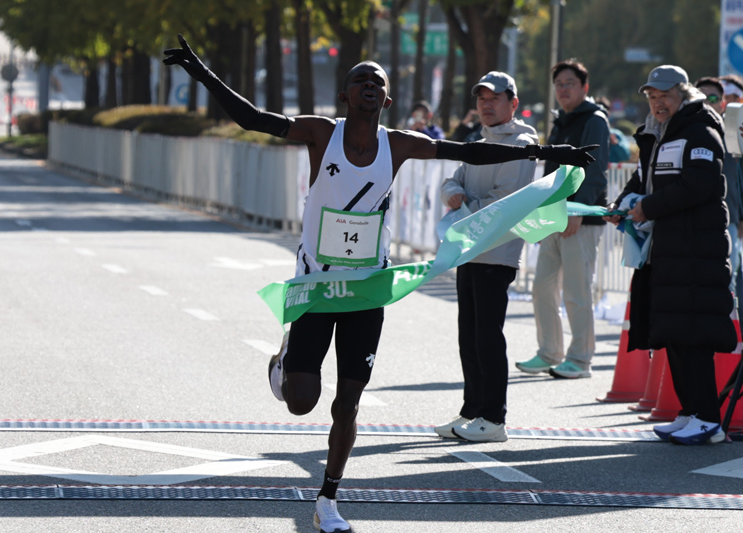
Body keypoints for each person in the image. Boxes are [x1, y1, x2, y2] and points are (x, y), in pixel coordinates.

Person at [164, 34, 595, 533]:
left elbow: (469, 153)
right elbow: (253, 120)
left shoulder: (398, 143)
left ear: (387, 99)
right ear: (345, 95)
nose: (369, 85)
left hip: (368, 288)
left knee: (348, 401)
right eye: (359, 80)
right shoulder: (322, 133)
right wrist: (200, 71)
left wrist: (548, 151)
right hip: (318, 286)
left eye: (378, 81)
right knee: (302, 399)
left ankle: (329, 498)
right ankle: (284, 363)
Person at [605, 65, 736, 445]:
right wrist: (622, 204)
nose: (658, 103)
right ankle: (691, 411)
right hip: (668, 249)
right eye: (652, 96)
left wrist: (649, 207)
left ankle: (708, 419)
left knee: (693, 335)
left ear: (683, 93)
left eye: (665, 95)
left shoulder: (700, 128)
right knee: (674, 332)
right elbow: (642, 178)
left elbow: (699, 183)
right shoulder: (656, 132)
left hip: (697, 248)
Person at [435, 72, 538, 442]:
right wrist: (455, 194)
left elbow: (505, 201)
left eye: (495, 98)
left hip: (497, 250)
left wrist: (462, 203)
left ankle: (493, 418)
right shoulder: (479, 140)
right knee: (469, 335)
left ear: (513, 102)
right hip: (470, 248)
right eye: (481, 98)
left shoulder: (522, 143)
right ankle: (471, 411)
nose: (487, 104)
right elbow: (452, 180)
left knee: (487, 337)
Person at [516, 59, 610, 379]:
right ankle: (549, 352)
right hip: (553, 217)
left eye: (569, 83)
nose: (563, 89)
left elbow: (596, 171)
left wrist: (577, 210)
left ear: (585, 87)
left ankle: (581, 359)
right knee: (542, 288)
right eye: (558, 84)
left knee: (576, 291)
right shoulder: (561, 121)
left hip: (578, 219)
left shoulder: (595, 120)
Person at [695, 77, 743, 308]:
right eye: (700, 97)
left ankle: (730, 343)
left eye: (712, 98)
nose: (706, 103)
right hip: (692, 222)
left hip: (729, 220)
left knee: (726, 284)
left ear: (723, 103)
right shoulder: (684, 132)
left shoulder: (735, 133)